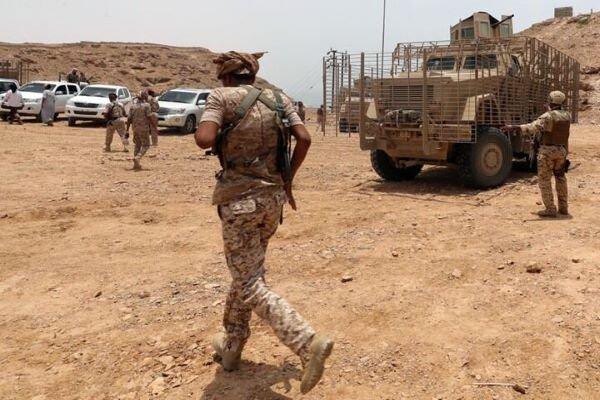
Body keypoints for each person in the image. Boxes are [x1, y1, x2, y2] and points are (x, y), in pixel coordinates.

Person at [195, 51, 333, 395]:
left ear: (227, 77)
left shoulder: (220, 97)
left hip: (240, 201)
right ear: (252, 75)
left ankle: (306, 342)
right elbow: (304, 138)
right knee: (247, 273)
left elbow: (204, 139)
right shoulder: (279, 98)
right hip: (272, 201)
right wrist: (287, 180)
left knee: (249, 282)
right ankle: (232, 346)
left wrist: (215, 123)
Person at [503, 91, 571, 217]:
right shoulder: (567, 115)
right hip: (561, 151)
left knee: (544, 180)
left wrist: (513, 127)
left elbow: (532, 127)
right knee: (560, 178)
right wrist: (549, 110)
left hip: (547, 152)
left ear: (550, 100)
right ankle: (563, 207)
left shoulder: (547, 116)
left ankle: (550, 209)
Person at [126, 91, 152, 170]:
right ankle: (138, 157)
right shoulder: (147, 105)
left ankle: (136, 165)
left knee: (137, 145)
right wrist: (153, 127)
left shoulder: (132, 106)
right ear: (144, 97)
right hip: (144, 128)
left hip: (135, 128)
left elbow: (129, 119)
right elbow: (149, 117)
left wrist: (127, 130)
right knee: (146, 145)